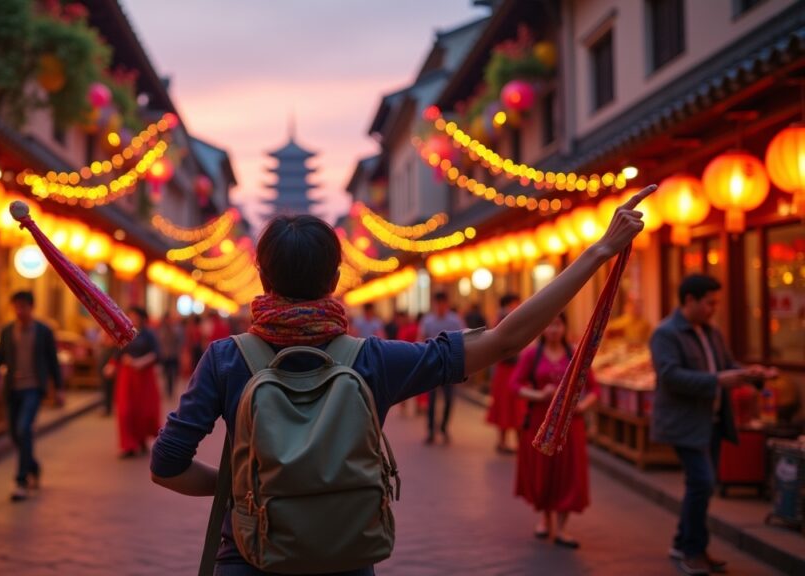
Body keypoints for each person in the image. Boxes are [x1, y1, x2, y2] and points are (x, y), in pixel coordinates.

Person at [150, 184, 652, 575]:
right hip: (345, 557)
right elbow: (503, 341)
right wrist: (599, 250)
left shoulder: (225, 360)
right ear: (334, 278)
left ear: (261, 276)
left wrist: (247, 490)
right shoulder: (372, 360)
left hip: (248, 559)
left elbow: (166, 466)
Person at [650, 275, 778, 575]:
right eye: (710, 303)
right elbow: (670, 377)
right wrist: (718, 380)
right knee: (703, 483)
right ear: (690, 300)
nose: (714, 309)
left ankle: (683, 543)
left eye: (716, 303)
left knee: (701, 486)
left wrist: (750, 373)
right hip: (685, 423)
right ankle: (693, 551)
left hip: (715, 420)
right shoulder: (666, 333)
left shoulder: (711, 331)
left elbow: (726, 366)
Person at [511, 314, 597, 549]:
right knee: (543, 472)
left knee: (568, 473)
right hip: (541, 422)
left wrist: (582, 406)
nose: (553, 329)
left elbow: (594, 389)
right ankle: (545, 518)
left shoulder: (576, 355)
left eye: (558, 324)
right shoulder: (531, 355)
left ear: (564, 328)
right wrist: (539, 394)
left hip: (571, 425)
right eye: (548, 324)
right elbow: (515, 385)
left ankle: (562, 528)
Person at [0, 290, 63, 502]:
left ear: (31, 307)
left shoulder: (43, 332)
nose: (19, 311)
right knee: (14, 433)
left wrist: (58, 388)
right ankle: (34, 467)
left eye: (23, 307)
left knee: (24, 429)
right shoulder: (7, 331)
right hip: (12, 388)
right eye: (16, 307)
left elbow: (52, 361)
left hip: (33, 388)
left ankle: (21, 480)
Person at [105, 307, 161, 458]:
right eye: (130, 316)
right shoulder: (126, 332)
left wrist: (140, 362)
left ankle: (141, 439)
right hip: (126, 376)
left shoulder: (149, 334)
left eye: (135, 316)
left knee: (143, 411)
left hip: (144, 377)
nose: (133, 318)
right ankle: (128, 445)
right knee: (125, 410)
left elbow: (156, 353)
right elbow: (118, 351)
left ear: (142, 317)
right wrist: (112, 365)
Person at [418, 292, 464, 444]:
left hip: (451, 364)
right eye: (438, 303)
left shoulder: (455, 320)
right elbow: (421, 339)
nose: (440, 306)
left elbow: (464, 338)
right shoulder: (428, 321)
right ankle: (431, 430)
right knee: (431, 400)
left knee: (449, 399)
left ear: (447, 303)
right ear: (434, 304)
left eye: (443, 303)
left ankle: (443, 426)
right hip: (433, 363)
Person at [486, 294, 525, 453]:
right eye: (515, 303)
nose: (517, 306)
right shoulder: (504, 319)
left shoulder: (502, 319)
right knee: (509, 405)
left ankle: (511, 441)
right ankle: (506, 441)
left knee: (512, 406)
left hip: (509, 368)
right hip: (506, 368)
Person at [158, 312, 183, 398]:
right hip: (165, 355)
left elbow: (179, 340)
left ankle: (171, 389)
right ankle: (168, 389)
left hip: (173, 354)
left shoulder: (176, 329)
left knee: (172, 373)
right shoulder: (162, 329)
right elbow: (160, 341)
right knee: (166, 373)